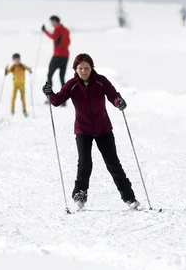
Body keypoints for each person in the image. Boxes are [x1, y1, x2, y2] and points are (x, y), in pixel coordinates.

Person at [42, 53, 139, 211]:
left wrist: (119, 102)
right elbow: (57, 101)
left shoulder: (101, 81)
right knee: (85, 164)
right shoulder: (72, 85)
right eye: (80, 68)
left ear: (91, 68)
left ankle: (129, 198)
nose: (84, 71)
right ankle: (79, 196)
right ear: (75, 69)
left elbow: (113, 95)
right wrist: (49, 93)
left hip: (103, 129)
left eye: (86, 68)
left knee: (113, 163)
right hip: (83, 130)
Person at [42, 15, 71, 104]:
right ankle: (64, 99)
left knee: (50, 75)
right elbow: (69, 42)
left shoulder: (57, 29)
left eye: (51, 22)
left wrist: (45, 31)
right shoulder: (66, 30)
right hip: (65, 56)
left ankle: (50, 97)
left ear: (55, 21)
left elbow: (53, 37)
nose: (51, 24)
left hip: (57, 56)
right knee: (62, 77)